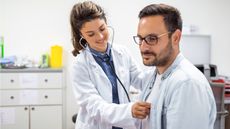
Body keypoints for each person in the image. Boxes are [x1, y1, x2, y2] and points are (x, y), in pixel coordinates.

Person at [133, 3, 217, 129]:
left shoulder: (186, 84)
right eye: (141, 38)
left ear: (176, 38)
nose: (143, 47)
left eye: (152, 38)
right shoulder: (155, 74)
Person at [70, 1, 151, 129]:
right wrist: (128, 111)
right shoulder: (79, 65)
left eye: (102, 29)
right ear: (81, 35)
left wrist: (160, 66)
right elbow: (94, 106)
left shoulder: (122, 52)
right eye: (91, 34)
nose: (100, 36)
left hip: (124, 124)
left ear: (106, 23)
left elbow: (140, 80)